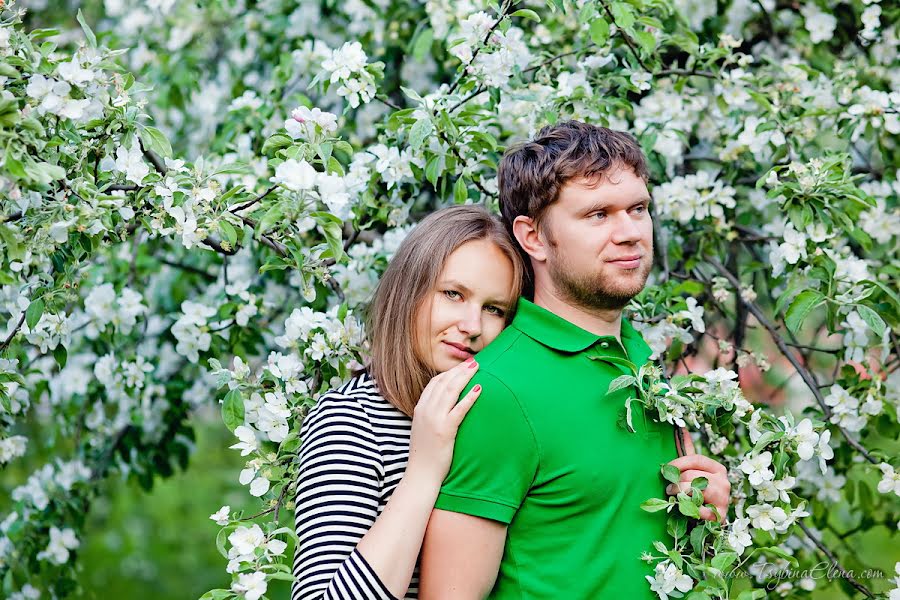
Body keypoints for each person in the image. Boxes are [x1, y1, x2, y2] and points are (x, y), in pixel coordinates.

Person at [419, 121, 731, 599]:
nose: (629, 233)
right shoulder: (498, 391)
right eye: (598, 215)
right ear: (534, 237)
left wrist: (701, 505)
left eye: (638, 209)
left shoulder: (639, 363)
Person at [290, 205, 525, 600]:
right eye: (453, 294)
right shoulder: (350, 419)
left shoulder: (499, 416)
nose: (471, 326)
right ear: (409, 291)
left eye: (493, 309)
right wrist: (423, 472)